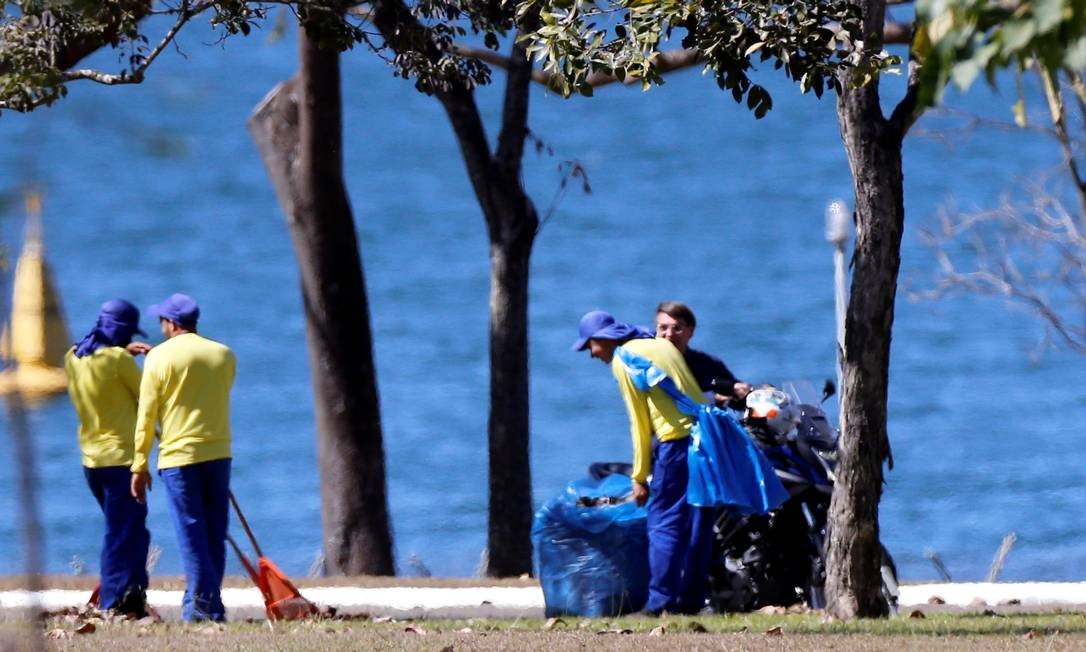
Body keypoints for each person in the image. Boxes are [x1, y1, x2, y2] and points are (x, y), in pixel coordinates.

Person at [573, 309, 704, 615]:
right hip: (705, 440)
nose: (591, 354)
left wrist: (640, 476)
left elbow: (639, 423)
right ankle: (693, 601)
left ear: (602, 339)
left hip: (675, 444)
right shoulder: (657, 345)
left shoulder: (625, 359)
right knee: (698, 523)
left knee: (663, 523)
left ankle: (659, 603)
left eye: (589, 346)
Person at [130, 293, 236, 622]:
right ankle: (206, 605)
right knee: (214, 533)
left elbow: (147, 416)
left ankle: (202, 610)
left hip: (179, 457)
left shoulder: (158, 359)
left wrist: (139, 464)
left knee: (191, 534)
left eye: (161, 321)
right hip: (218, 452)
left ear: (171, 323)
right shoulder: (224, 354)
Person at [64, 299, 153, 616]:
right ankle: (113, 600)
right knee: (121, 532)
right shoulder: (119, 361)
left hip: (92, 461)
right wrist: (151, 360)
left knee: (132, 529)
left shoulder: (72, 358)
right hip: (121, 461)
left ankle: (132, 595)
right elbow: (148, 397)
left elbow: (101, 371)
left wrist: (122, 353)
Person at [654, 300, 751, 407]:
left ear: (691, 331)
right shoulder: (646, 363)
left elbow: (739, 394)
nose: (669, 334)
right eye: (663, 328)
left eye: (677, 328)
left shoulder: (708, 364)